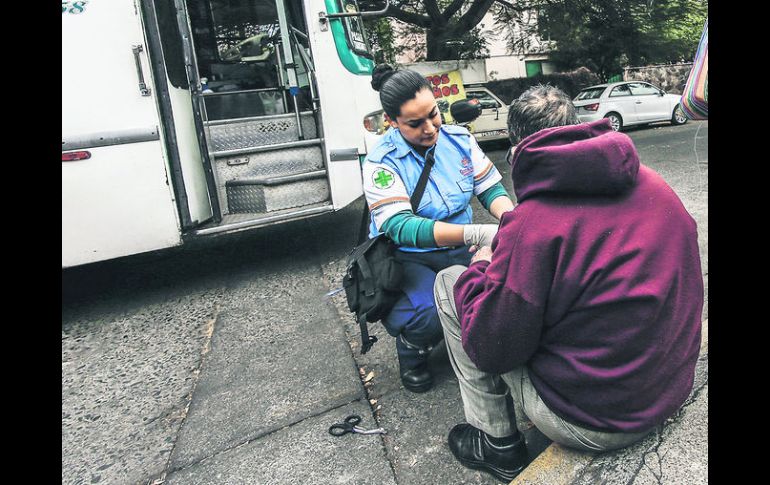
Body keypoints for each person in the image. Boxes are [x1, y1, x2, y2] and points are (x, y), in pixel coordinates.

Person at [433, 84, 704, 482]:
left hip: (596, 423)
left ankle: (496, 443)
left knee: (450, 282)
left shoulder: (532, 225)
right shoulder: (654, 184)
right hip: (669, 388)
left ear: (517, 149)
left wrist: (482, 265)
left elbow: (492, 349)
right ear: (578, 128)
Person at [361, 64, 515, 393]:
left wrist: (511, 221)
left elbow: (490, 189)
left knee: (499, 292)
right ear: (392, 121)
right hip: (410, 256)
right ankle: (412, 351)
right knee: (428, 313)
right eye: (415, 123)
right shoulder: (381, 162)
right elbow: (401, 227)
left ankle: (471, 341)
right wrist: (474, 234)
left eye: (433, 114)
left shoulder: (459, 140)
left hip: (460, 247)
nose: (430, 128)